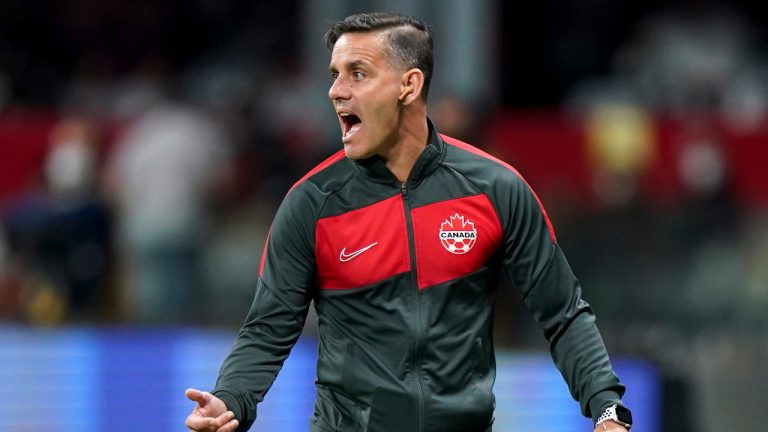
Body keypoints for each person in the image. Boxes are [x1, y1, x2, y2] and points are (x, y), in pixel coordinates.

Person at [185, 12, 632, 432]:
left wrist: (606, 405)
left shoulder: (496, 189)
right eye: (334, 74)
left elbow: (563, 314)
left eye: (357, 73)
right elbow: (267, 330)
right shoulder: (311, 203)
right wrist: (231, 401)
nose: (336, 90)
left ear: (409, 85)